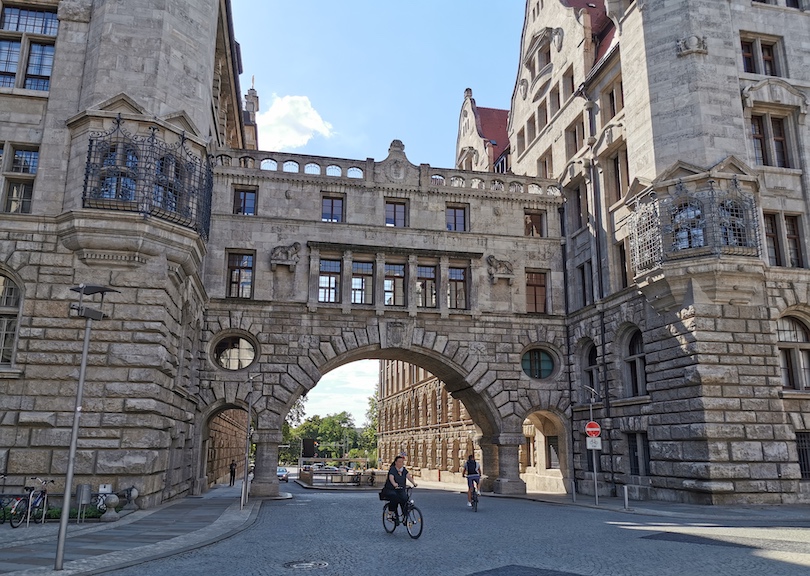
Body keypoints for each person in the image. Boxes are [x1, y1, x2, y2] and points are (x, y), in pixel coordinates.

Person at [381, 454, 417, 520]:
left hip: (400, 489)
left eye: (402, 462)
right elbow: (391, 477)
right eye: (399, 462)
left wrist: (414, 483)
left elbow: (409, 477)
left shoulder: (404, 470)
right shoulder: (393, 469)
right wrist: (394, 484)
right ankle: (390, 513)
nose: (401, 463)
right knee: (394, 498)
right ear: (396, 462)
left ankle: (405, 514)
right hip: (390, 489)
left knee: (405, 499)